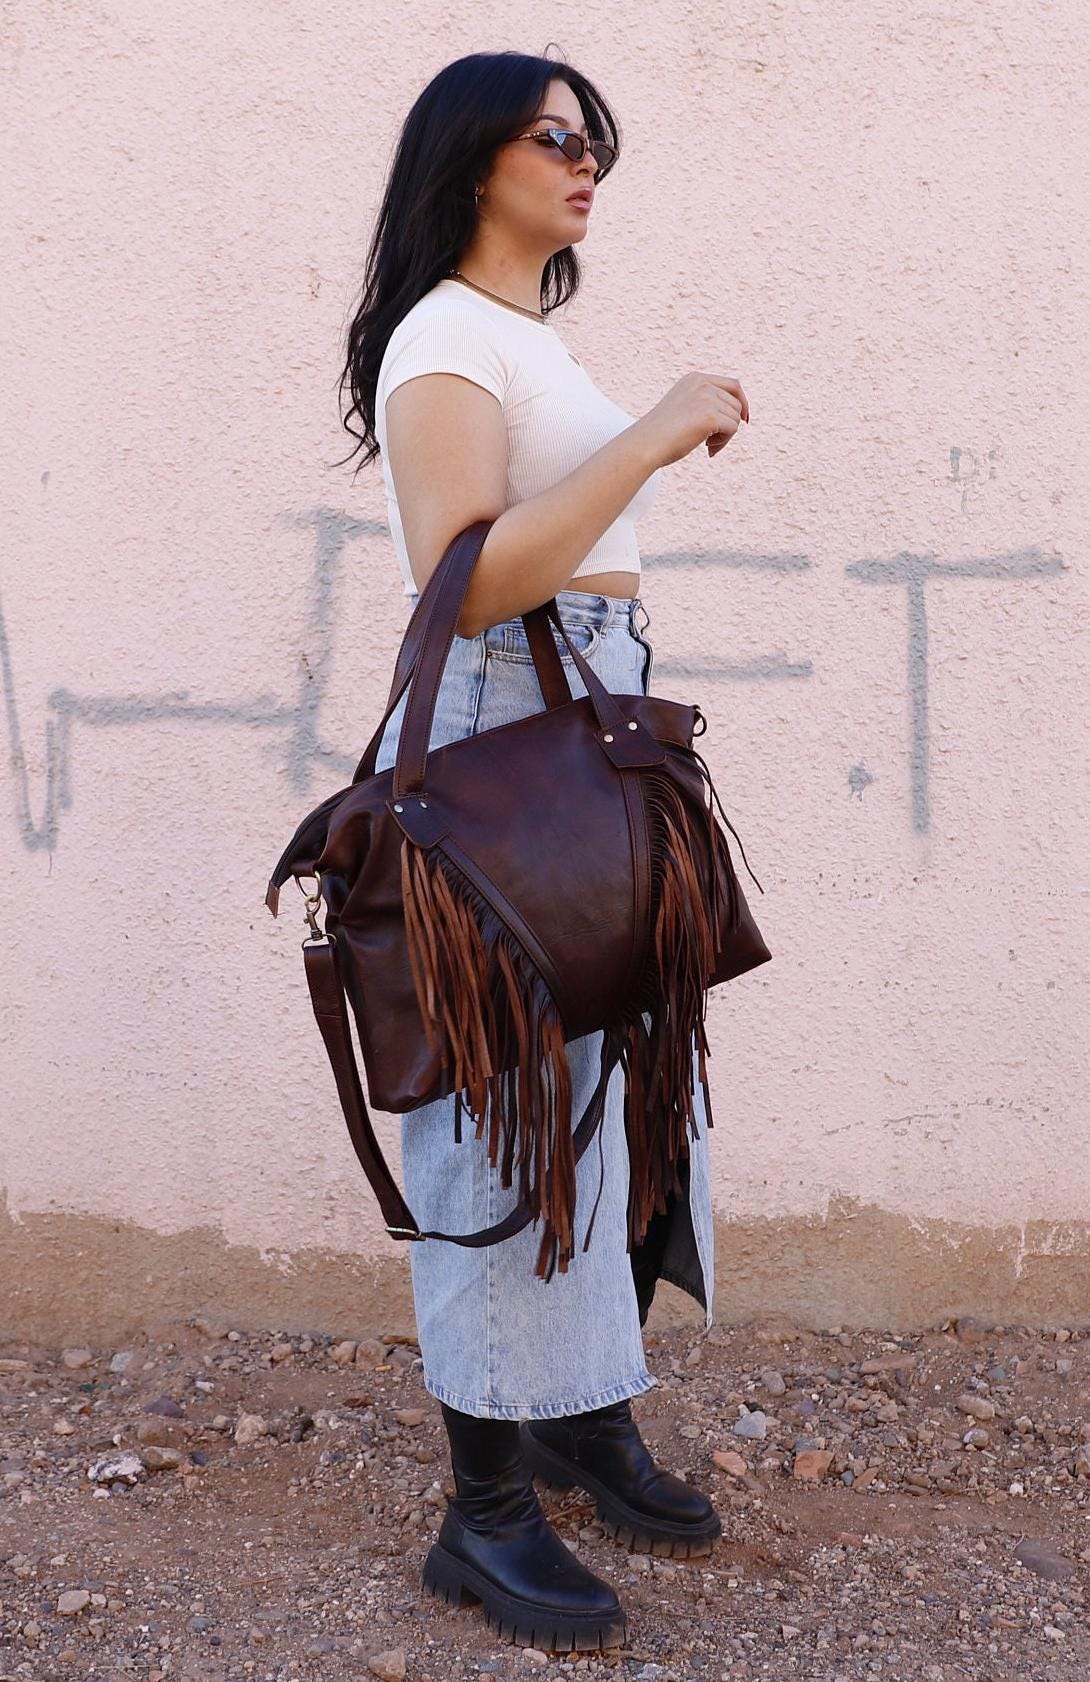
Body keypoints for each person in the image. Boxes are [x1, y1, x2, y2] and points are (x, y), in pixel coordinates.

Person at [335, 49, 750, 1653]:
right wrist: (647, 437)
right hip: (515, 728)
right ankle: (481, 1515)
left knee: (632, 1086)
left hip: (591, 722)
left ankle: (579, 1411)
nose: (586, 164)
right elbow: (469, 578)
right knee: (511, 1119)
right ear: (471, 155)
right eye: (555, 136)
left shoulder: (520, 337)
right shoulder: (445, 333)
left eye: (599, 144)